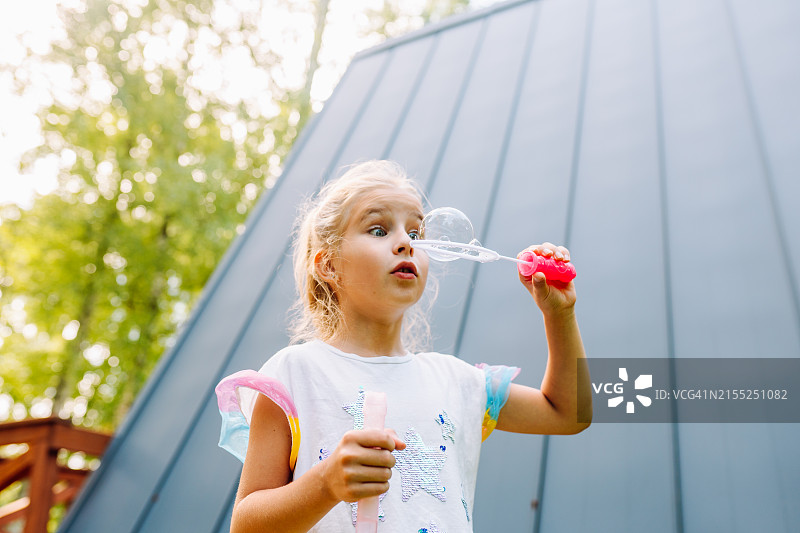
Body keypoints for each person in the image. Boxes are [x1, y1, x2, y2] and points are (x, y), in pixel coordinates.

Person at [214, 160, 591, 532]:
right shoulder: (294, 373)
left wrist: (560, 315)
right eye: (379, 230)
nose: (406, 243)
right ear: (328, 265)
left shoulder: (456, 381)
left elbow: (568, 413)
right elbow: (246, 526)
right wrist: (325, 484)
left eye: (417, 232)